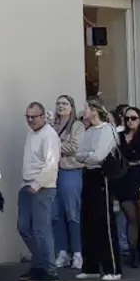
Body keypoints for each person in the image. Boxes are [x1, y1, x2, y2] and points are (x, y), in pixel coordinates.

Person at [74, 99, 123, 281]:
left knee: (104, 221)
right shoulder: (89, 131)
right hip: (89, 175)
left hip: (102, 176)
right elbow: (79, 154)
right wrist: (88, 156)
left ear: (95, 110)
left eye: (87, 108)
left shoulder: (107, 129)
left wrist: (87, 156)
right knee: (88, 220)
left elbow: (99, 155)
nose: (84, 112)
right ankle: (91, 266)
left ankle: (112, 268)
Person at [19, 102, 61, 281]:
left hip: (43, 187)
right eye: (27, 116)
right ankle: (38, 265)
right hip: (27, 184)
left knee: (41, 229)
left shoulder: (49, 135)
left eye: (34, 117)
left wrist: (36, 185)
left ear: (43, 116)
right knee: (24, 227)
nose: (30, 120)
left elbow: (51, 165)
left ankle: (49, 270)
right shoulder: (31, 134)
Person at [114, 106, 140, 268]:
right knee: (131, 218)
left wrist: (124, 151)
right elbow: (116, 155)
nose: (130, 121)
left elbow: (137, 154)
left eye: (133, 118)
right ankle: (133, 254)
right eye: (127, 118)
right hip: (124, 178)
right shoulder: (119, 135)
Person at [52, 95, 86, 270]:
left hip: (71, 170)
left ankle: (78, 253)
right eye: (58, 103)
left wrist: (55, 144)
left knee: (73, 213)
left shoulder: (77, 126)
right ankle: (62, 252)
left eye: (64, 103)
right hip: (53, 172)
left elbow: (75, 147)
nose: (61, 106)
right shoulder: (52, 125)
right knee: (56, 214)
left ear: (72, 107)